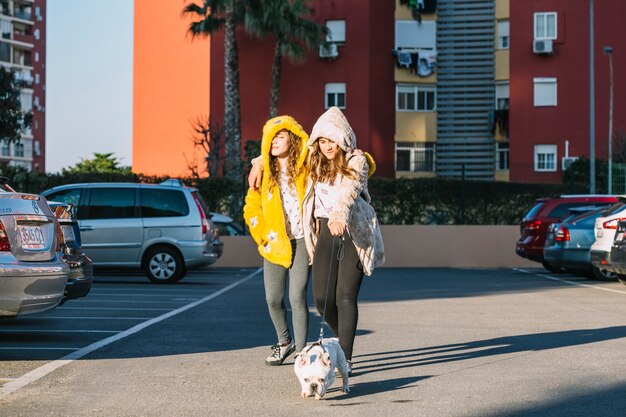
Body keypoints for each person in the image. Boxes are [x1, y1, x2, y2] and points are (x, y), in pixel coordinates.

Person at [301, 107, 385, 374]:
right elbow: (284, 153)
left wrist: (339, 216)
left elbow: (348, 193)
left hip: (353, 231)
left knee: (344, 296)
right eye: (322, 141)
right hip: (326, 230)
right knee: (321, 298)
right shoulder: (314, 162)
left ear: (343, 138)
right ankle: (341, 340)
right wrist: (258, 163)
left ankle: (345, 359)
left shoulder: (356, 161)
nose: (327, 146)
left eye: (332, 140)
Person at [243, 115, 311, 366]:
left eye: (280, 137)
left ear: (292, 140)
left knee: (297, 296)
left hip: (302, 240)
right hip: (274, 243)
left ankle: (303, 354)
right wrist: (261, 233)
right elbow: (251, 206)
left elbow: (324, 150)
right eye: (270, 138)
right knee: (272, 298)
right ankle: (285, 343)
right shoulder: (263, 172)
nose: (273, 142)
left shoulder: (306, 166)